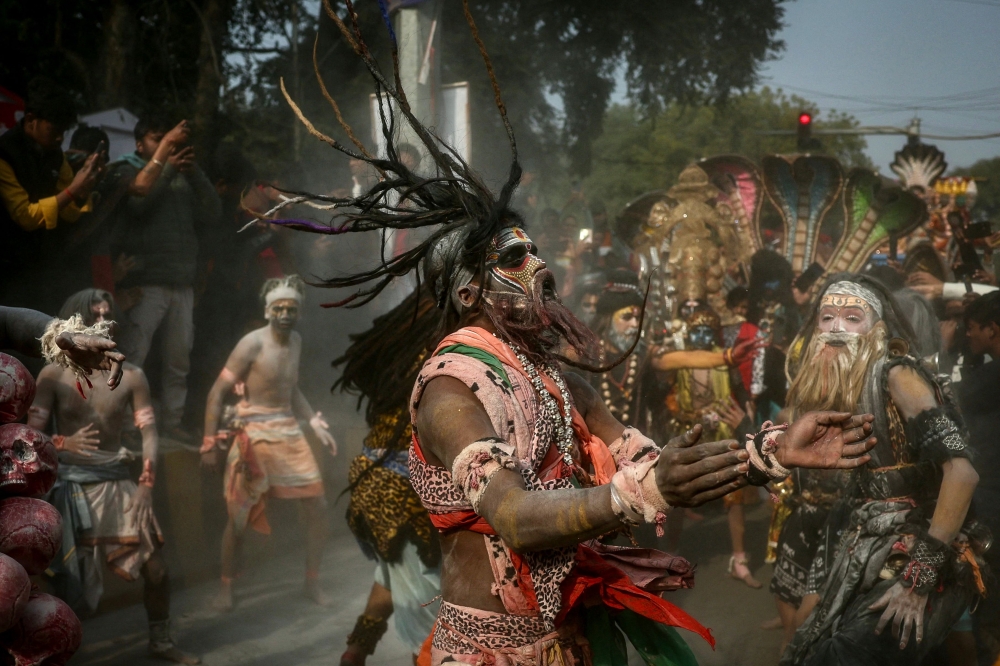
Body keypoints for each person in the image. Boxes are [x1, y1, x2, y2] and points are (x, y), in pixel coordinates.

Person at [259, 8, 877, 662]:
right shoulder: (447, 394)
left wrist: (767, 453)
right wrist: (648, 490)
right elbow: (518, 519)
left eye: (537, 252)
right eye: (514, 261)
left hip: (570, 642)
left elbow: (654, 464)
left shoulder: (555, 377)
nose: (542, 270)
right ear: (468, 292)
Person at [783, 275, 987, 666]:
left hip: (919, 538)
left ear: (878, 329)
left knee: (843, 655)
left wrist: (917, 581)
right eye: (826, 318)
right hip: (859, 526)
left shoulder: (896, 375)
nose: (836, 328)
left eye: (852, 317)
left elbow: (963, 473)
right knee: (804, 636)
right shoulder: (840, 383)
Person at [29, 289, 199, 665]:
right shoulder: (52, 376)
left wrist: (146, 485)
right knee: (64, 581)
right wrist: (63, 441)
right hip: (71, 485)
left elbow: (149, 433)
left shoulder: (131, 376)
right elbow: (31, 437)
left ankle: (161, 641)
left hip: (116, 479)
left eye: (109, 311)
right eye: (95, 312)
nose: (104, 315)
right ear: (76, 324)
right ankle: (55, 653)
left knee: (156, 568)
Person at [201, 275, 337, 611]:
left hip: (288, 431)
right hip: (253, 432)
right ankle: (226, 586)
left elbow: (291, 390)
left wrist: (313, 421)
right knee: (238, 516)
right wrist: (209, 443)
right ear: (267, 311)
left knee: (318, 508)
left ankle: (311, 581)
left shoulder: (297, 342)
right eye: (279, 308)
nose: (286, 314)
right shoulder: (251, 344)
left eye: (292, 308)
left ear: (299, 312)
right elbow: (217, 393)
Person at [335, 288, 443, 666]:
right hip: (406, 489)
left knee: (395, 572)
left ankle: (357, 649)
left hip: (373, 476)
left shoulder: (403, 352)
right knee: (439, 609)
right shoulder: (442, 357)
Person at [113, 115, 221, 440]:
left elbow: (214, 211)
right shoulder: (128, 169)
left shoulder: (182, 173)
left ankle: (172, 425)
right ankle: (126, 428)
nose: (167, 144)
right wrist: (170, 166)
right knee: (134, 356)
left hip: (181, 283)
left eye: (169, 139)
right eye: (157, 138)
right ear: (139, 143)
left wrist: (194, 170)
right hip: (147, 281)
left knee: (179, 362)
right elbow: (138, 207)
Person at [0, 77, 104, 312]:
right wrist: (73, 190)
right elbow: (24, 215)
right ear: (30, 120)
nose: (59, 138)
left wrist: (82, 190)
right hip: (7, 268)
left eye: (63, 132)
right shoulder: (4, 154)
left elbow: (69, 213)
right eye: (54, 130)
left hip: (42, 269)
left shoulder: (56, 156)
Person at [956, 292, 1000, 664]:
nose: (968, 335)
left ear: (992, 330)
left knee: (989, 599)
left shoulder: (989, 378)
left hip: (992, 504)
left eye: (971, 329)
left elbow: (955, 399)